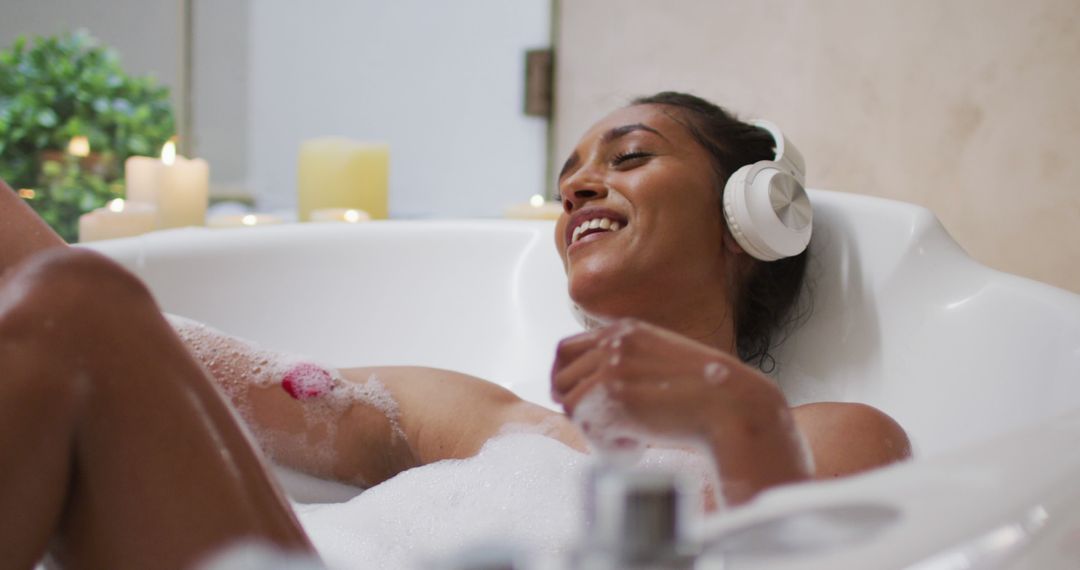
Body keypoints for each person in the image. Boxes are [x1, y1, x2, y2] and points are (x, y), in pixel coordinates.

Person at [0, 92, 910, 569]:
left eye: (631, 157)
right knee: (68, 311)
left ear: (752, 221)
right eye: (571, 176)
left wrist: (733, 418)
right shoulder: (496, 424)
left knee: (77, 306)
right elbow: (205, 376)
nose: (583, 184)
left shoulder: (820, 436)